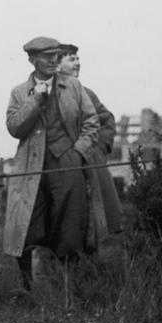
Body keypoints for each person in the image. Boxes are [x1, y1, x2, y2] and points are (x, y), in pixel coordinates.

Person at [3, 36, 100, 289]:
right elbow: (14, 127)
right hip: (29, 169)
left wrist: (78, 153)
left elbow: (92, 123)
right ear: (32, 60)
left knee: (70, 231)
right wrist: (35, 99)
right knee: (28, 229)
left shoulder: (74, 87)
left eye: (56, 55)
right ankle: (28, 291)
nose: (53, 60)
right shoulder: (19, 92)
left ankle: (67, 292)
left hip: (67, 165)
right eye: (47, 56)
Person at [58, 43, 124, 250]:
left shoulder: (86, 93)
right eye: (71, 59)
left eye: (77, 58)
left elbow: (107, 120)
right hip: (62, 168)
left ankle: (99, 273)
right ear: (57, 65)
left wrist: (99, 150)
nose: (77, 63)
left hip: (91, 167)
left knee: (100, 223)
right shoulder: (49, 94)